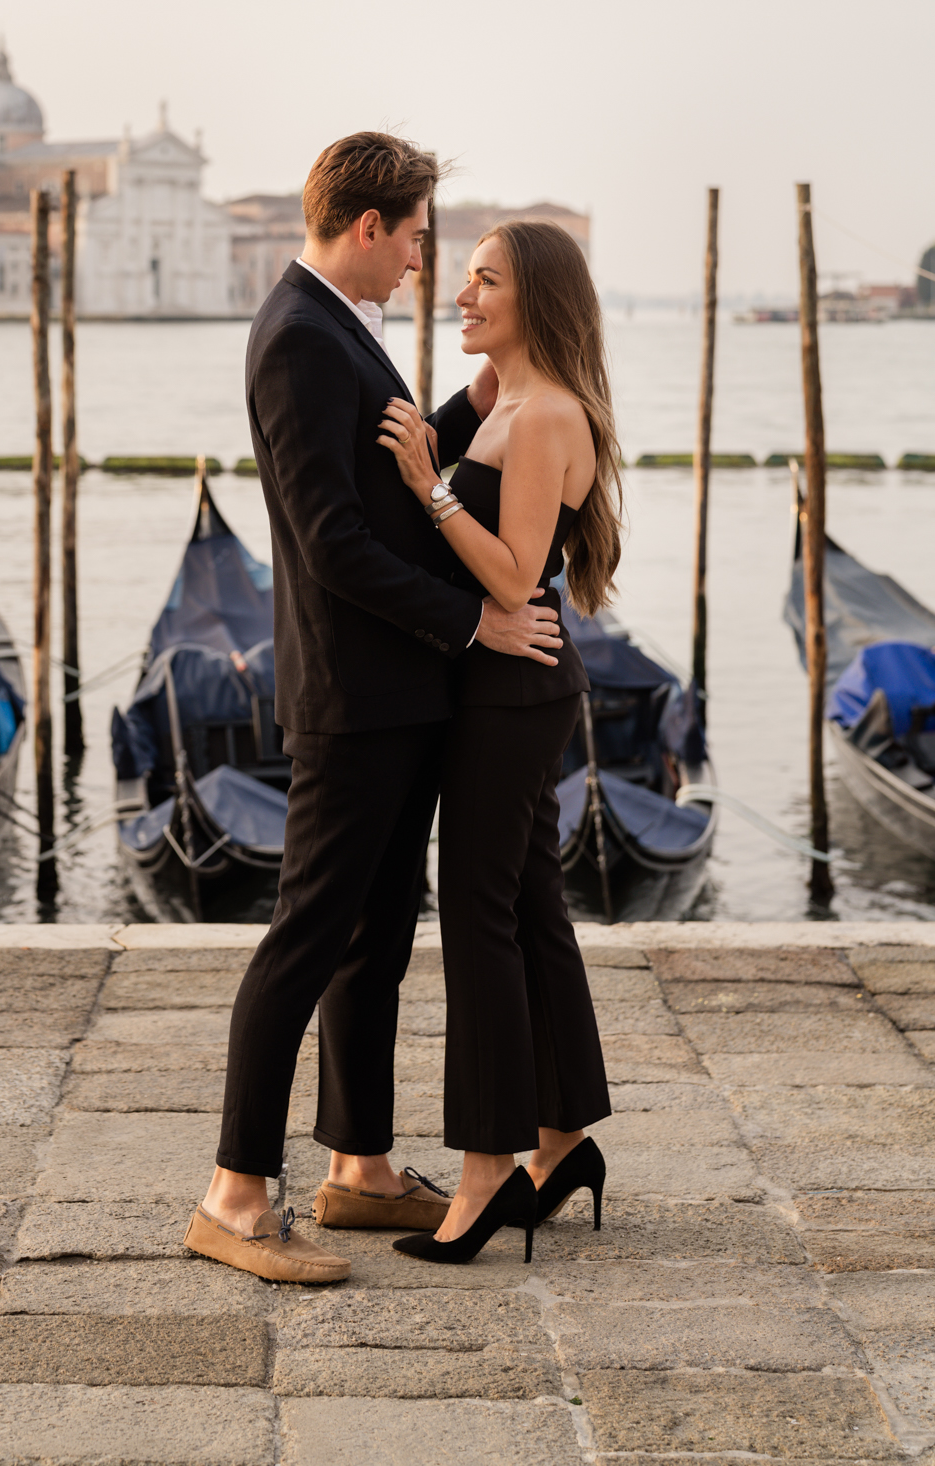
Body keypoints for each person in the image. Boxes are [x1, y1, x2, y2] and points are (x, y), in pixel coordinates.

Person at [184, 134, 568, 1284]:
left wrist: (472, 398)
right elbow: (332, 538)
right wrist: (475, 624)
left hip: (396, 693)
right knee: (310, 936)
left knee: (374, 943)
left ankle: (357, 1166)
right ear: (367, 228)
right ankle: (235, 1199)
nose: (418, 262)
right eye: (410, 237)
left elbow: (386, 458)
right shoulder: (300, 336)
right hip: (356, 693)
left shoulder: (333, 327)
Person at [377, 218, 621, 1266]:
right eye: (464, 277)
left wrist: (428, 488)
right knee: (527, 902)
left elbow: (518, 577)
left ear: (538, 300)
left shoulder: (543, 416)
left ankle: (486, 1172)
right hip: (506, 683)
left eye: (485, 282)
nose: (462, 295)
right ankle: (562, 1138)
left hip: (512, 689)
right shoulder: (509, 405)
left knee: (477, 910)